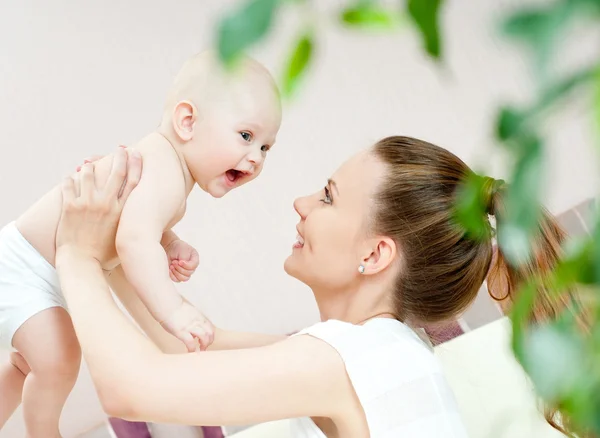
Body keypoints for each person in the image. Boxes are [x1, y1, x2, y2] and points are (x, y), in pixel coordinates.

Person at [54, 136, 578, 437]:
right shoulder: (377, 351)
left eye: (327, 197)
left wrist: (75, 254)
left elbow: (130, 390)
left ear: (375, 254)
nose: (302, 203)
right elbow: (190, 347)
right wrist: (128, 244)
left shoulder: (356, 357)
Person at [0, 50, 282, 437]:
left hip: (40, 269)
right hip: (26, 267)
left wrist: (170, 243)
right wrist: (174, 310)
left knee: (26, 367)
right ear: (187, 122)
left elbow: (135, 225)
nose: (255, 159)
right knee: (58, 360)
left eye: (266, 147)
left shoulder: (167, 170)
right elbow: (133, 240)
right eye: (246, 136)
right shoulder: (165, 170)